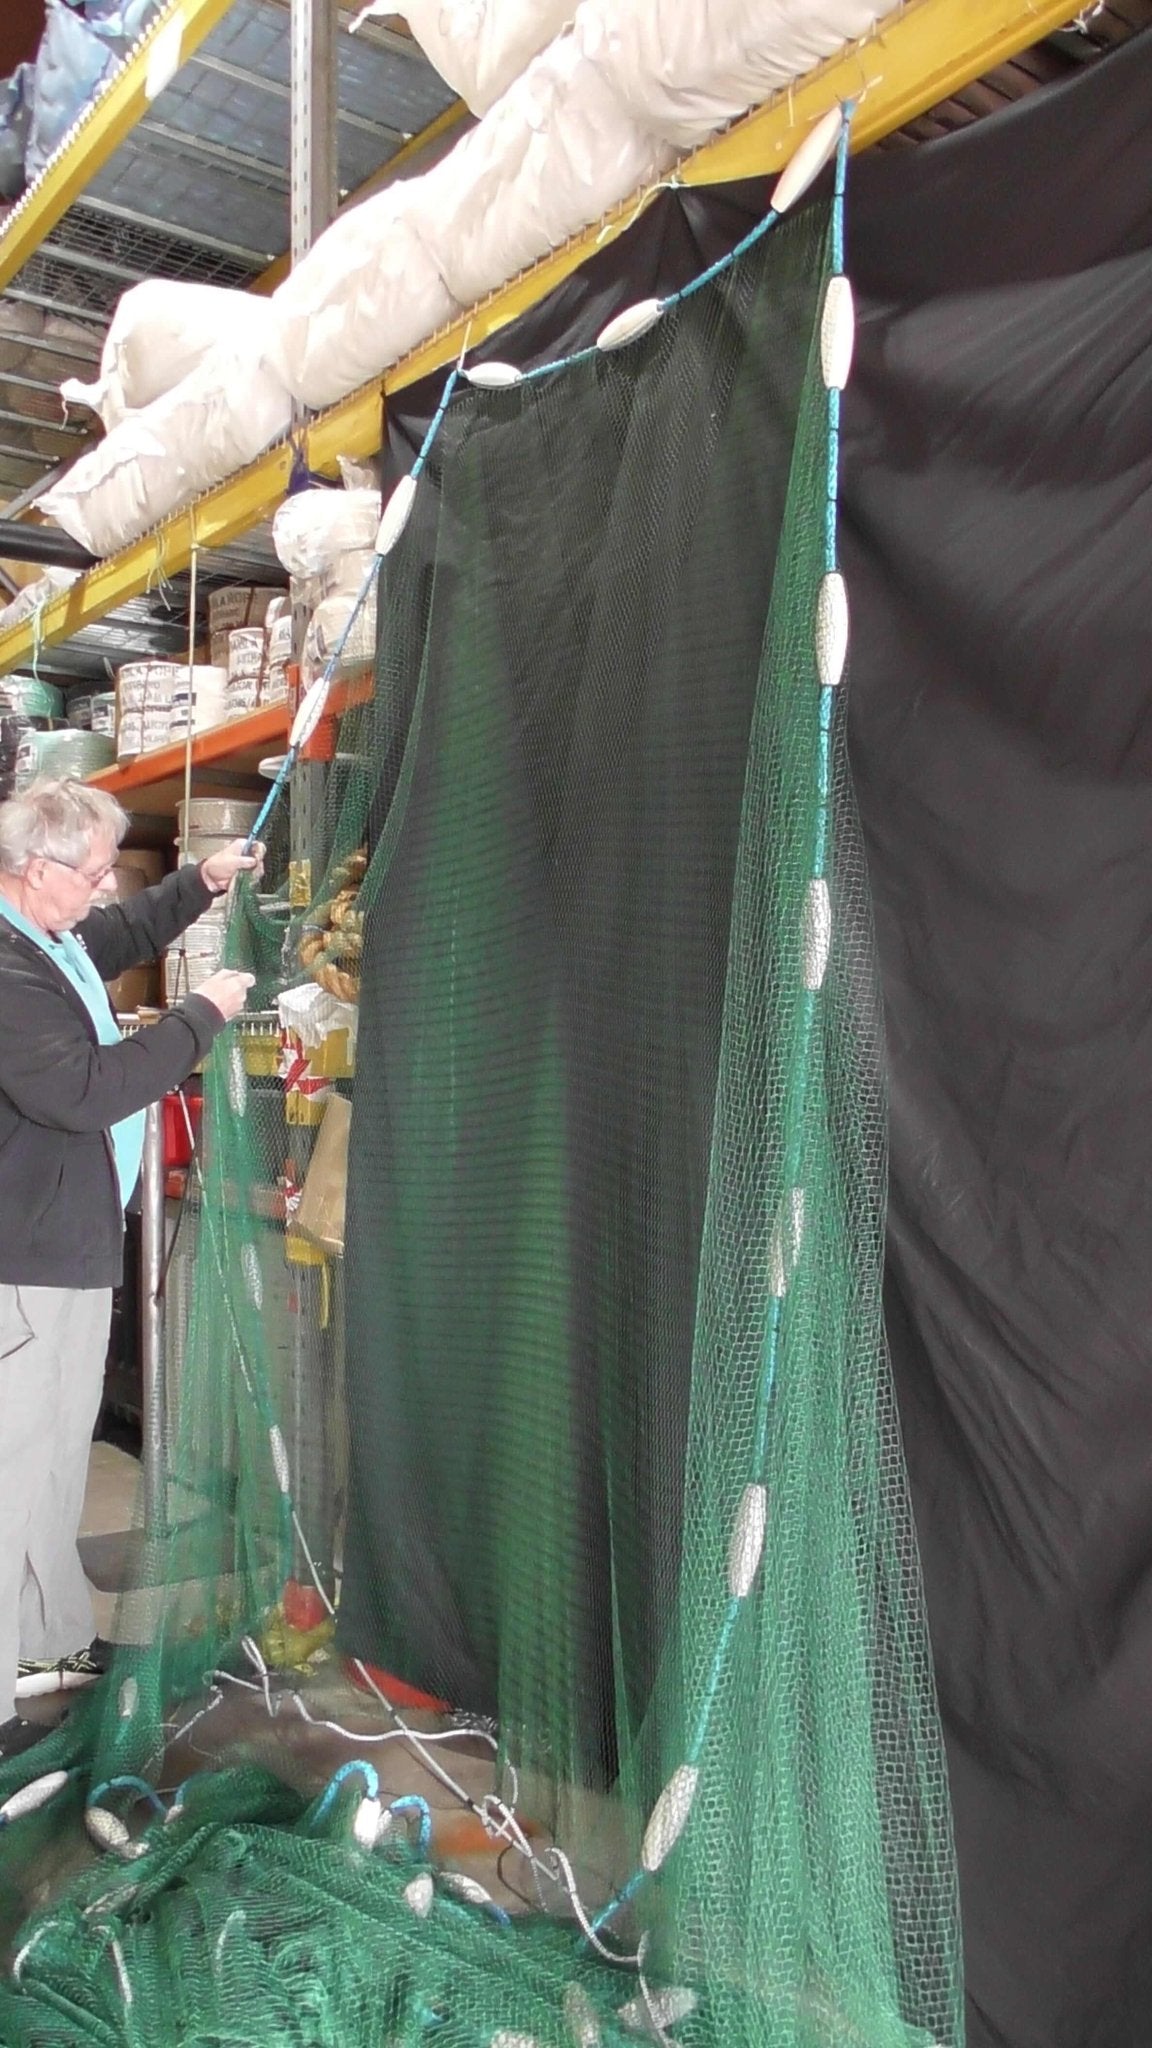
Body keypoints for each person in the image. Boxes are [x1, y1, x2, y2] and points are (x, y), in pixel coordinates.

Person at [0, 776, 262, 1758]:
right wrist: (199, 1018)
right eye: (95, 871)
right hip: (19, 1261)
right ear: (36, 871)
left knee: (55, 1462)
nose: (107, 889)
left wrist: (201, 880)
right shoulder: (4, 966)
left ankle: (49, 1637)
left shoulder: (44, 933)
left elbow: (109, 941)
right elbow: (86, 1086)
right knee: (7, 1476)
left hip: (61, 1245)